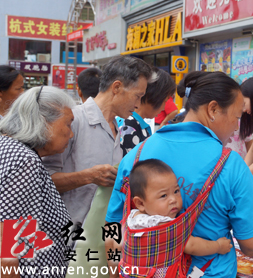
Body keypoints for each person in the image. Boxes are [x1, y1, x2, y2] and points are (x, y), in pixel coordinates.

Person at [106, 70, 253, 277]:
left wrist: (115, 272)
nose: (235, 127)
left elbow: (112, 233)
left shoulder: (135, 156)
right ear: (213, 109)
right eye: (236, 117)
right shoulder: (231, 164)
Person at [42, 56, 154, 260]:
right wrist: (88, 177)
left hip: (102, 243)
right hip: (68, 243)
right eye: (137, 96)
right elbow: (42, 180)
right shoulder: (73, 121)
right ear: (117, 87)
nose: (138, 104)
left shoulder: (120, 128)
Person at [0, 86, 75, 278]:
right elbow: (8, 246)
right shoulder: (26, 161)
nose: (71, 133)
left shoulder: (8, 147)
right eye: (68, 124)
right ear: (43, 122)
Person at [127, 159, 232, 258]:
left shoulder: (133, 216)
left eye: (176, 191)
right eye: (163, 196)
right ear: (140, 203)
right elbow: (191, 246)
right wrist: (218, 246)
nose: (173, 199)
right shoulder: (161, 224)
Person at [119, 68, 176, 154]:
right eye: (165, 100)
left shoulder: (133, 122)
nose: (163, 108)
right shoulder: (130, 127)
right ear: (155, 96)